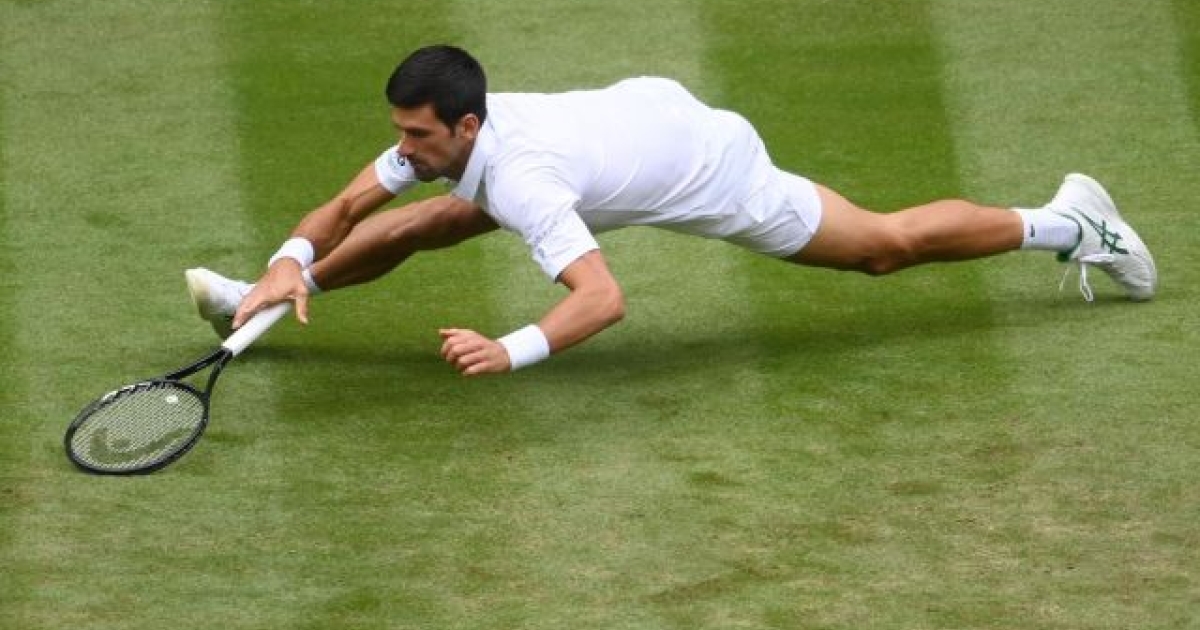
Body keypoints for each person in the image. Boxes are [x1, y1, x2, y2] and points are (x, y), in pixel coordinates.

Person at [186, 44, 1156, 376]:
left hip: (707, 167)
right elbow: (350, 203)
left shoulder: (522, 178)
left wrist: (509, 348)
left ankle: (1075, 222)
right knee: (426, 216)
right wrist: (285, 261)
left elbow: (602, 301)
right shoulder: (450, 138)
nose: (404, 149)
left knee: (882, 248)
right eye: (400, 132)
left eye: (418, 135)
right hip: (633, 121)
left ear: (467, 124)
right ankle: (258, 302)